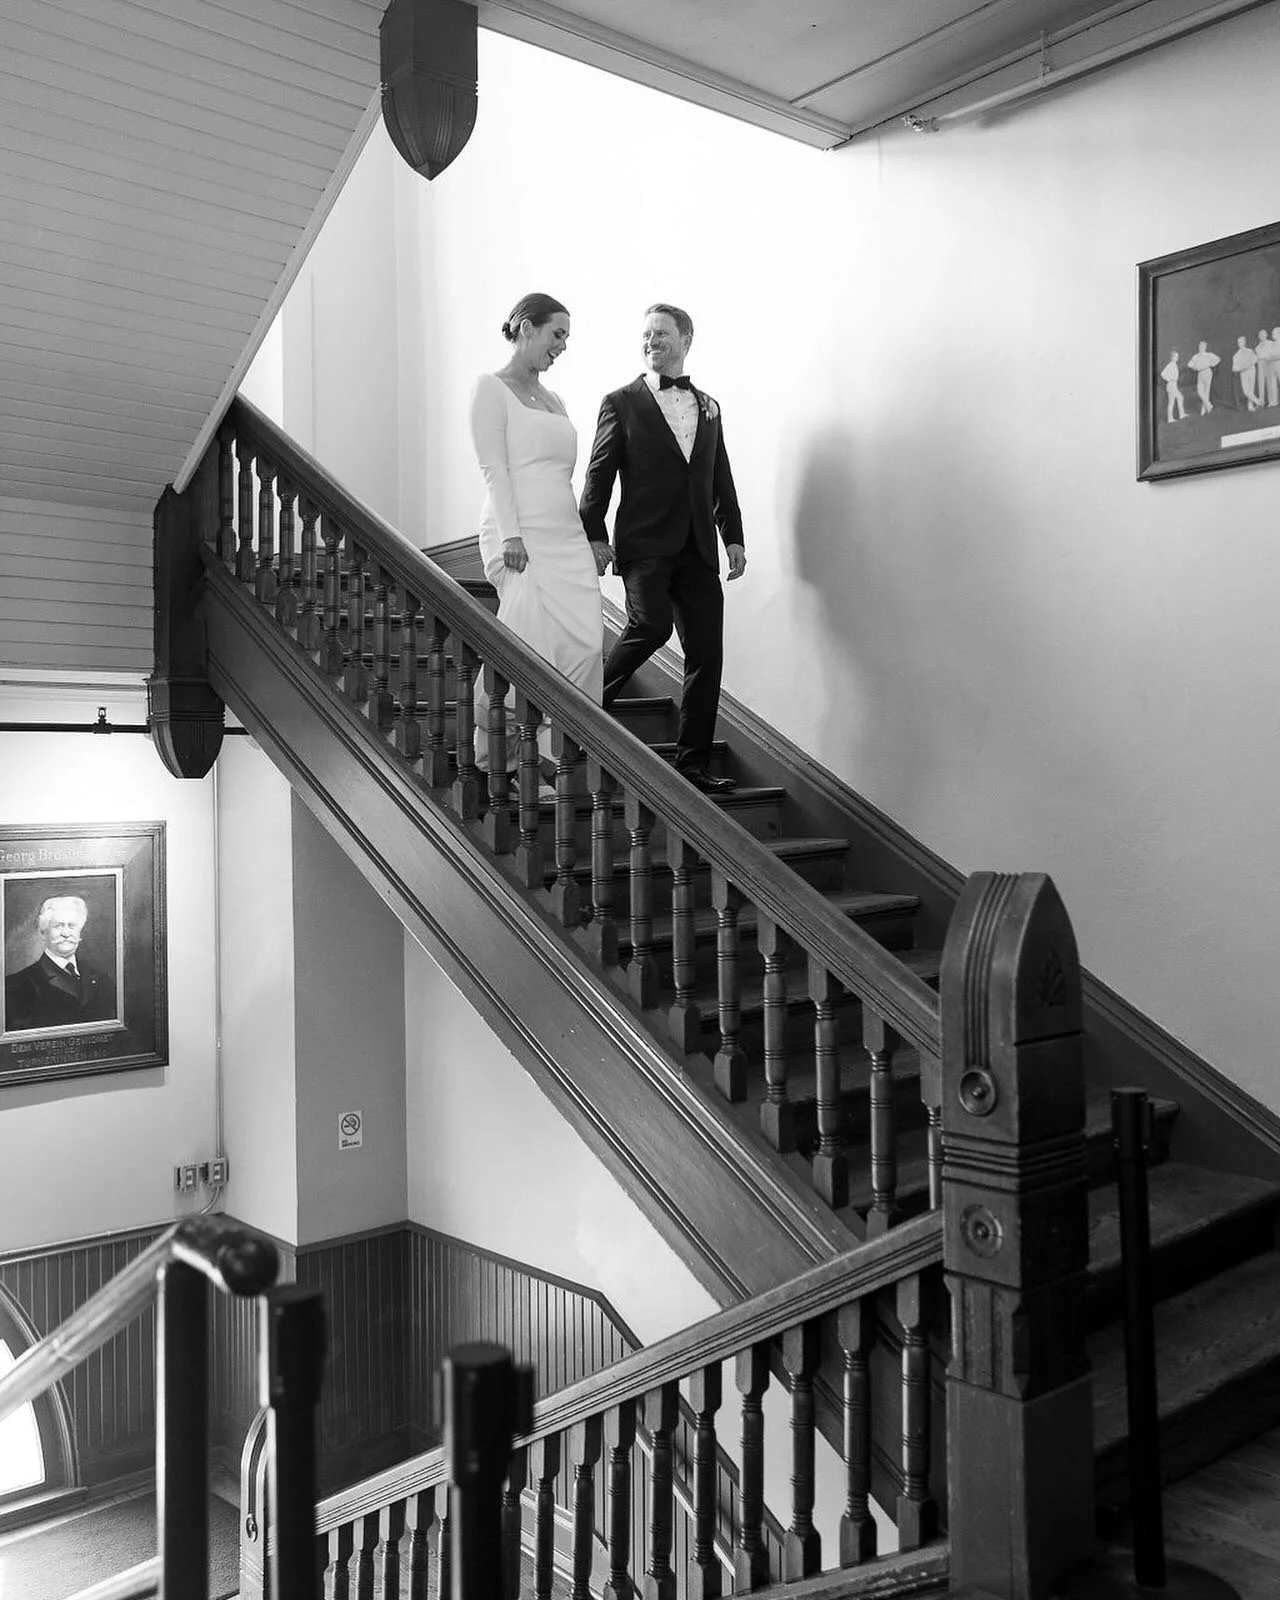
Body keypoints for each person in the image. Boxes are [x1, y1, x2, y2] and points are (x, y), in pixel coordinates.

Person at [579, 303, 746, 794]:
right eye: (646, 334)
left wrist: (733, 536)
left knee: (706, 654)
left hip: (698, 547)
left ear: (685, 340)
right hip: (645, 541)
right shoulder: (620, 402)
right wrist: (594, 533)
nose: (651, 341)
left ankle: (692, 765)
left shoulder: (709, 406)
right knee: (650, 624)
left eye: (661, 334)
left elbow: (719, 476)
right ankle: (584, 707)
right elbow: (599, 473)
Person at [468, 293, 604, 786]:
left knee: (586, 645)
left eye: (566, 337)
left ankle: (556, 749)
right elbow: (494, 469)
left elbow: (564, 476)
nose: (562, 345)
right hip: (517, 532)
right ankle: (505, 759)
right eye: (557, 334)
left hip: (565, 535)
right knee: (530, 640)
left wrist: (587, 536)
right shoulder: (490, 388)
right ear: (527, 327)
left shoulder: (556, 400)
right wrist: (512, 535)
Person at [4, 895, 114, 1032]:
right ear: (43, 933)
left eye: (72, 926)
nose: (66, 933)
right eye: (58, 926)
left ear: (80, 932)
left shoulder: (102, 979)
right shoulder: (16, 985)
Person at [1187, 341, 1219, 415]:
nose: (1201, 348)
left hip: (1207, 372)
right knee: (1199, 391)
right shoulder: (1196, 356)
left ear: (1205, 347)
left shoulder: (1208, 355)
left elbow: (1217, 359)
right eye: (1200, 347)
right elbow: (1189, 364)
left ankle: (1203, 409)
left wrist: (1210, 364)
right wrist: (1194, 367)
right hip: (1200, 373)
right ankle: (1209, 405)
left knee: (1206, 391)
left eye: (1203, 347)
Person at [1160, 351, 1186, 423]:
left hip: (1174, 385)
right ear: (1171, 357)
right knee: (1174, 401)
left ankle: (1181, 415)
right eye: (1175, 356)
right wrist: (1169, 379)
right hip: (1171, 385)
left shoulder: (1174, 365)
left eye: (1177, 356)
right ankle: (1171, 418)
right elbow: (1162, 374)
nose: (1176, 358)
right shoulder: (1170, 365)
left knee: (1179, 398)